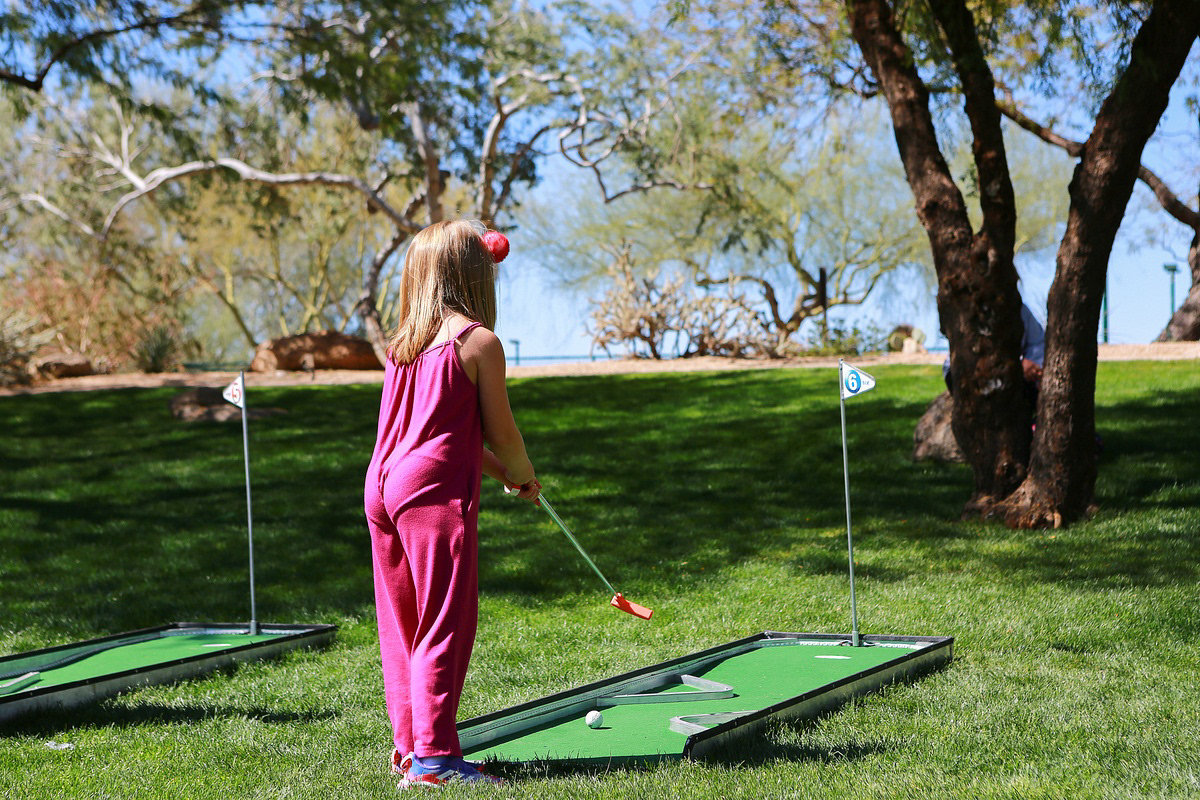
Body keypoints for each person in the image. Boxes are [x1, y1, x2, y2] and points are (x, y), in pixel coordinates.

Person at [364, 219, 540, 788]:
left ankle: (410, 751)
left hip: (384, 486)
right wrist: (522, 472)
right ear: (474, 274)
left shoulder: (403, 346)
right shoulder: (478, 343)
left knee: (403, 627)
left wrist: (498, 475)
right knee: (443, 622)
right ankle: (436, 760)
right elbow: (501, 433)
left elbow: (439, 433)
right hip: (432, 496)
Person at [943, 302, 1045, 407]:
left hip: (1013, 378)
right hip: (966, 373)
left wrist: (1031, 362)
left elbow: (1038, 343)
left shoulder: (1019, 308)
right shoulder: (966, 307)